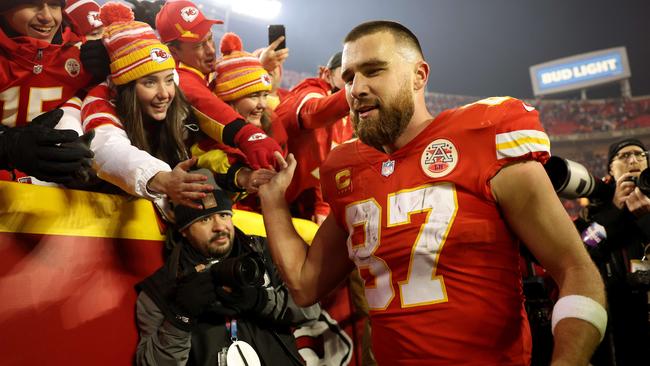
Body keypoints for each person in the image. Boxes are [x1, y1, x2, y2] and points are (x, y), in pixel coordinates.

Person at [258, 20, 606, 365]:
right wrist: (273, 201)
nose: (356, 88)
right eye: (348, 77)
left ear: (419, 75)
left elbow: (575, 269)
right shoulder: (344, 166)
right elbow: (305, 284)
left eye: (373, 71)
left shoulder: (484, 134)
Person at [135, 169, 320, 366]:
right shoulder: (162, 289)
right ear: (184, 230)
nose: (220, 226)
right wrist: (181, 316)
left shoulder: (266, 252)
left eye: (224, 215)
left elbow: (311, 311)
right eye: (205, 219)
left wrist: (261, 301)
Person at [81, 2, 213, 208]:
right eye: (149, 82)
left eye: (169, 80)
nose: (165, 94)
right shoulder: (99, 101)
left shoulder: (171, 88)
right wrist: (162, 178)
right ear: (126, 86)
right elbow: (108, 149)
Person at [154, 0, 285, 170]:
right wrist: (249, 136)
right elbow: (206, 103)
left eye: (210, 39)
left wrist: (260, 65)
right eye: (200, 45)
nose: (210, 50)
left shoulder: (198, 71)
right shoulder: (177, 77)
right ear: (173, 51)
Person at [0, 0, 94, 184]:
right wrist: (6, 147)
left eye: (53, 4)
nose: (47, 17)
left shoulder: (77, 53)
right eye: (32, 3)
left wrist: (111, 63)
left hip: (52, 189)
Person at [575, 138, 650, 366]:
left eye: (639, 154)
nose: (634, 160)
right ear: (610, 168)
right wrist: (617, 212)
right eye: (624, 156)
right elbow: (583, 249)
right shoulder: (596, 210)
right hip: (615, 316)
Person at [274, 50, 352, 224]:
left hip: (289, 198)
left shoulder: (346, 117)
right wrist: (354, 94)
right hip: (256, 195)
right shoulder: (312, 90)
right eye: (347, 73)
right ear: (327, 73)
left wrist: (321, 206)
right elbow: (313, 112)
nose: (352, 82)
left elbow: (324, 165)